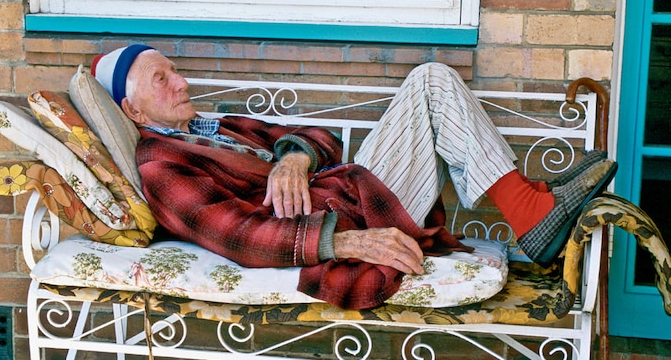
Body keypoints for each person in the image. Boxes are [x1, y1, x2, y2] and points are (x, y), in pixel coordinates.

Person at [91, 45, 616, 309]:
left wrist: (293, 157)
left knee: (429, 81)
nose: (182, 82)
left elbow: (320, 138)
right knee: (431, 81)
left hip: (351, 186)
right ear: (134, 112)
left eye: (174, 70)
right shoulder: (163, 167)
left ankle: (532, 208)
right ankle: (531, 209)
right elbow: (239, 236)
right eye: (163, 80)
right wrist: (348, 242)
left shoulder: (219, 125)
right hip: (345, 215)